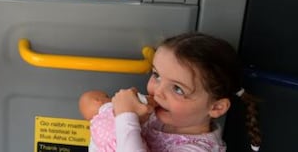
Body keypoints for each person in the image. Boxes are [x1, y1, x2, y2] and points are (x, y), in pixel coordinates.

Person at [78, 33, 262, 152]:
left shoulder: (197, 150)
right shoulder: (155, 113)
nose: (157, 91)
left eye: (177, 88)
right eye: (156, 75)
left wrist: (126, 117)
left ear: (216, 107)